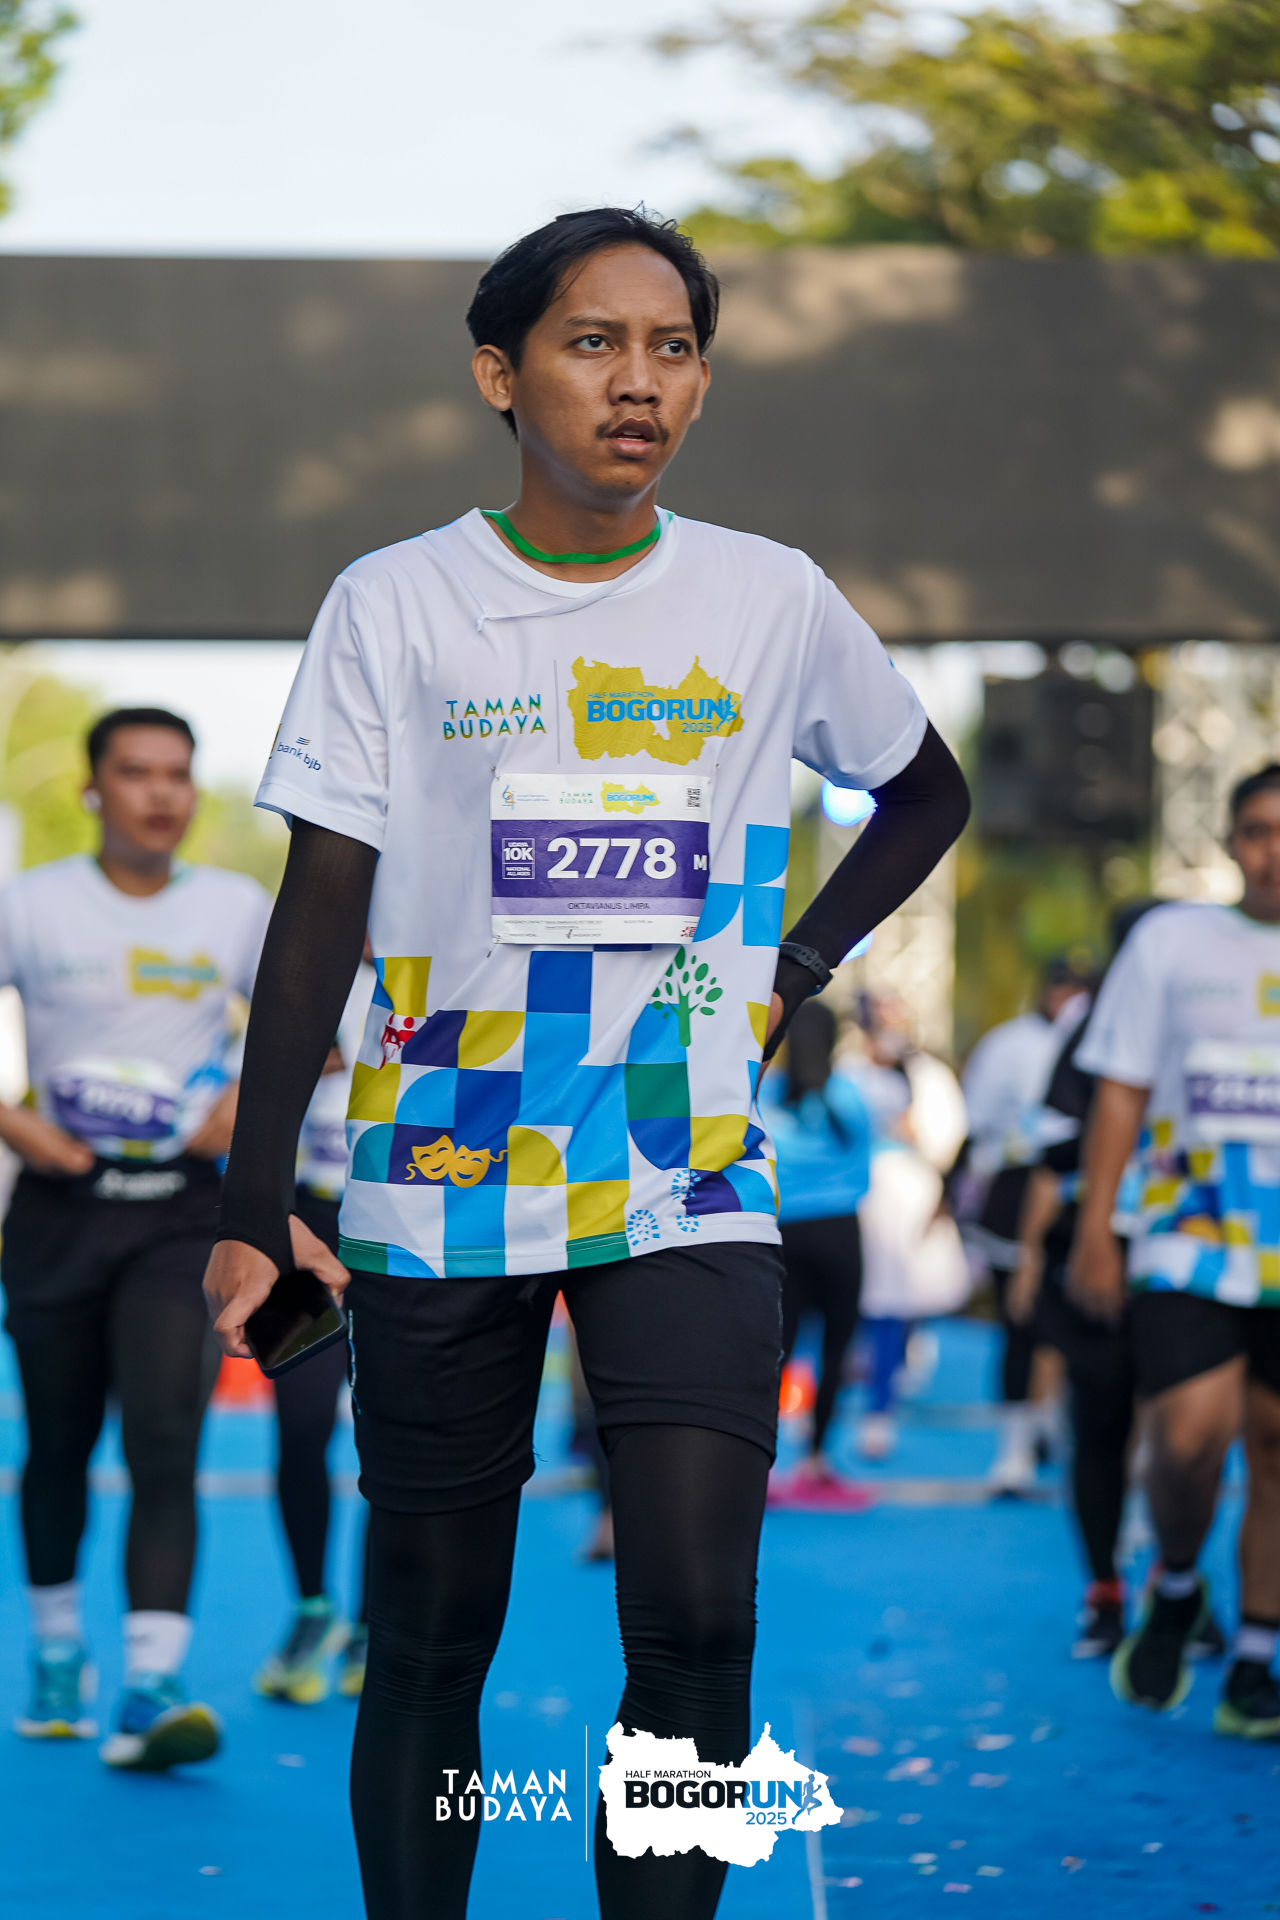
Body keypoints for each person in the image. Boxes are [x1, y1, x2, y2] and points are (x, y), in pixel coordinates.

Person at [202, 207, 969, 1920]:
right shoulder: (394, 600)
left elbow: (926, 792)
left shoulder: (771, 597)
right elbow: (317, 914)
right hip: (443, 1168)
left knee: (697, 1621)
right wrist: (254, 1206)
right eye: (594, 342)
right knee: (430, 1637)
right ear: (501, 373)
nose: (641, 382)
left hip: (684, 1162)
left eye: (674, 348)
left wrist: (798, 966)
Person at [0, 709, 270, 1768]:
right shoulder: (31, 902)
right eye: (136, 772)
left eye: (177, 775)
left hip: (180, 1217)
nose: (161, 793)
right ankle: (58, 1652)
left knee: (165, 1440)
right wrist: (14, 1122)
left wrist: (243, 1099)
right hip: (60, 1208)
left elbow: (331, 1030)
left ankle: (152, 1689)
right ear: (92, 790)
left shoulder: (234, 907)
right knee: (57, 1442)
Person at [1071, 763, 1280, 1737]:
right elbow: (1117, 1089)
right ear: (1229, 842)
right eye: (1256, 830)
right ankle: (1178, 1583)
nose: (1272, 851)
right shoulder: (1169, 940)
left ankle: (1254, 1664)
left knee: (1275, 1447)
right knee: (1191, 1437)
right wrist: (1094, 1232)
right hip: (1187, 1226)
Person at [1010, 900, 1223, 1662]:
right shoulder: (1090, 1033)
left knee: (1189, 1436)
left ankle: (1177, 1585)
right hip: (1102, 1255)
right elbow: (1051, 1155)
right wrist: (1042, 1253)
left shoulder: (1220, 1018)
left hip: (1197, 1257)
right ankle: (1105, 1592)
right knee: (1100, 1426)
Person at [253, 951, 376, 1703]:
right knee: (300, 1428)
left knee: (390, 1436)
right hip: (304, 1226)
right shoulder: (302, 973)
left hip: (398, 1228)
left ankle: (370, 1625)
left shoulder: (444, 967)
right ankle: (310, 1608)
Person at [959, 958, 1090, 1494]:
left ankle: (1056, 1426)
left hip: (1088, 1187)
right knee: (1021, 1318)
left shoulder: (1104, 1037)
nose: (1068, 1000)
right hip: (1019, 1188)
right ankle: (1015, 1447)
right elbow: (978, 1120)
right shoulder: (1009, 1044)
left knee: (1080, 1323)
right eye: (1061, 988)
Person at [758, 997, 871, 1503]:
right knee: (836, 1348)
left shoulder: (766, 1093)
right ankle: (818, 1460)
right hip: (841, 1232)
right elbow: (867, 1164)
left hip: (785, 1233)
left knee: (776, 1352)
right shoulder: (851, 1096)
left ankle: (761, 1465)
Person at [849, 991, 969, 1460]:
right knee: (874, 1299)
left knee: (898, 1295)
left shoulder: (928, 1075)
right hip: (862, 1199)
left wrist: (918, 1135)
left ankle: (883, 1397)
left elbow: (949, 1139)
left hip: (910, 1197)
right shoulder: (850, 1074)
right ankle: (872, 1396)